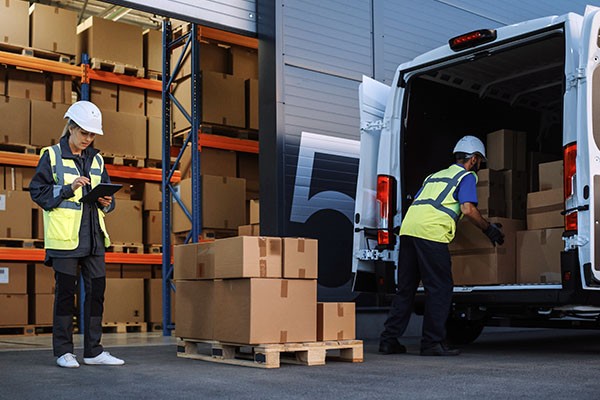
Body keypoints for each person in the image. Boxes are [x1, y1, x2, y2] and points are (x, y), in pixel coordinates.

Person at [378, 135, 505, 356]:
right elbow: (467, 209)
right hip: (431, 234)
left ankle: (388, 340)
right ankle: (431, 344)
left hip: (409, 230)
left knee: (405, 290)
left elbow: (419, 202)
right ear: (474, 159)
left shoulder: (433, 176)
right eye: (479, 161)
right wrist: (488, 228)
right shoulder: (467, 176)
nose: (479, 166)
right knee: (440, 289)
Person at [30, 101, 124, 368]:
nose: (88, 139)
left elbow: (105, 193)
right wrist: (68, 189)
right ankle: (63, 351)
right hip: (65, 240)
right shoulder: (51, 155)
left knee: (96, 293)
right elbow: (38, 192)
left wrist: (109, 202)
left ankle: (93, 351)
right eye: (84, 132)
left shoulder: (97, 159)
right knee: (65, 295)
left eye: (92, 134)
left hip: (94, 238)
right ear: (71, 127)